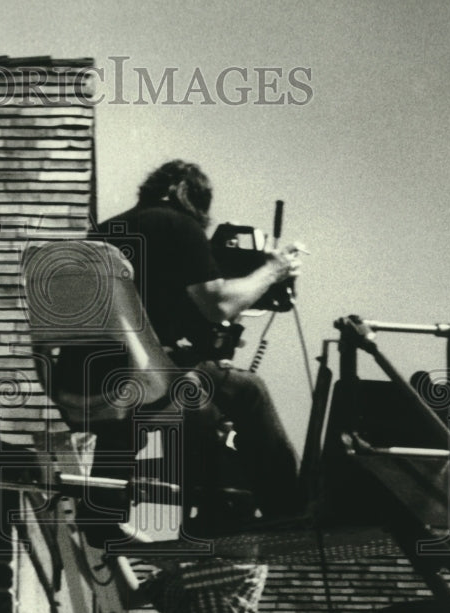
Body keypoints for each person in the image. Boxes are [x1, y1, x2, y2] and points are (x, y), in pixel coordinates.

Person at [93, 159, 305, 522]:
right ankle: (290, 512)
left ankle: (102, 510)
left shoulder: (103, 232)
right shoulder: (179, 225)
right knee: (248, 391)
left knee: (196, 397)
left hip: (82, 379)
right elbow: (219, 304)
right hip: (139, 379)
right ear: (187, 195)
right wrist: (273, 271)